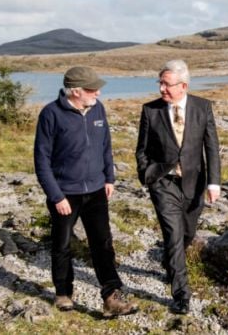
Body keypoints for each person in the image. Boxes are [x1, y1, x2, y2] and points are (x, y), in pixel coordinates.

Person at [33, 66, 137, 318]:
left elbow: (105, 145)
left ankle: (111, 296)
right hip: (65, 194)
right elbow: (41, 159)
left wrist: (109, 177)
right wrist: (56, 196)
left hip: (96, 189)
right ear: (75, 91)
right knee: (62, 243)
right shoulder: (51, 114)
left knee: (103, 243)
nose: (98, 92)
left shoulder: (98, 109)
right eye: (92, 89)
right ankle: (63, 292)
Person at [136, 59, 221, 315]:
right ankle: (181, 295)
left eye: (167, 84)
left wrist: (214, 182)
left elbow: (211, 147)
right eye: (160, 83)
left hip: (194, 184)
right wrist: (147, 173)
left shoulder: (202, 107)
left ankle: (170, 263)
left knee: (187, 234)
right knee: (173, 237)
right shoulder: (150, 110)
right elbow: (142, 149)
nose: (162, 88)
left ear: (183, 85)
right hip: (163, 184)